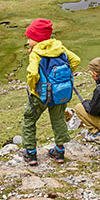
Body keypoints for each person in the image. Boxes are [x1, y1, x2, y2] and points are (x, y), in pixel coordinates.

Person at [23, 18, 80, 164]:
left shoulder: (36, 52)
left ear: (37, 38)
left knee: (29, 119)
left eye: (30, 38)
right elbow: (76, 60)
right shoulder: (59, 46)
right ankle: (59, 152)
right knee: (58, 119)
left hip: (40, 94)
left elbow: (33, 74)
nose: (28, 42)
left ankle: (30, 154)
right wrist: (63, 78)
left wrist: (33, 87)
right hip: (59, 92)